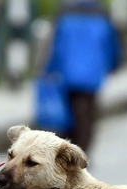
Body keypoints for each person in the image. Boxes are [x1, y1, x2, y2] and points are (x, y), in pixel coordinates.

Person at [44, 0, 120, 152]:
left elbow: (57, 48)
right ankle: (83, 151)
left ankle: (68, 149)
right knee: (88, 114)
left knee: (70, 114)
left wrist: (50, 69)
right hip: (93, 73)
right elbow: (112, 45)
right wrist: (113, 66)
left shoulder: (65, 15)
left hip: (68, 73)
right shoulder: (102, 16)